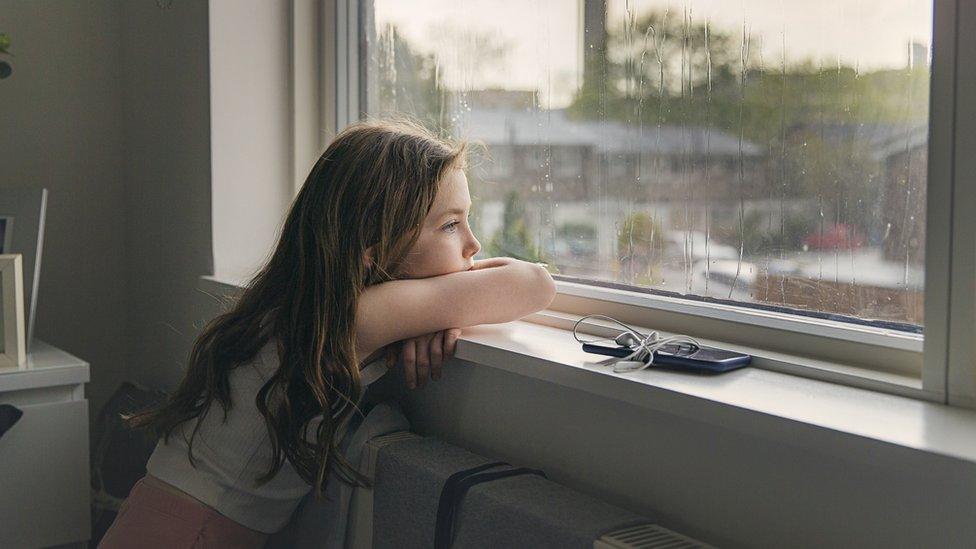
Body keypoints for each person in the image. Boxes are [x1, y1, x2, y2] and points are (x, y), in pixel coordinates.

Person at [98, 119, 556, 548]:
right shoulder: (350, 318)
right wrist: (439, 305)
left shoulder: (301, 307)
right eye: (451, 224)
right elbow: (535, 284)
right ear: (372, 251)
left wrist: (434, 309)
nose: (474, 245)